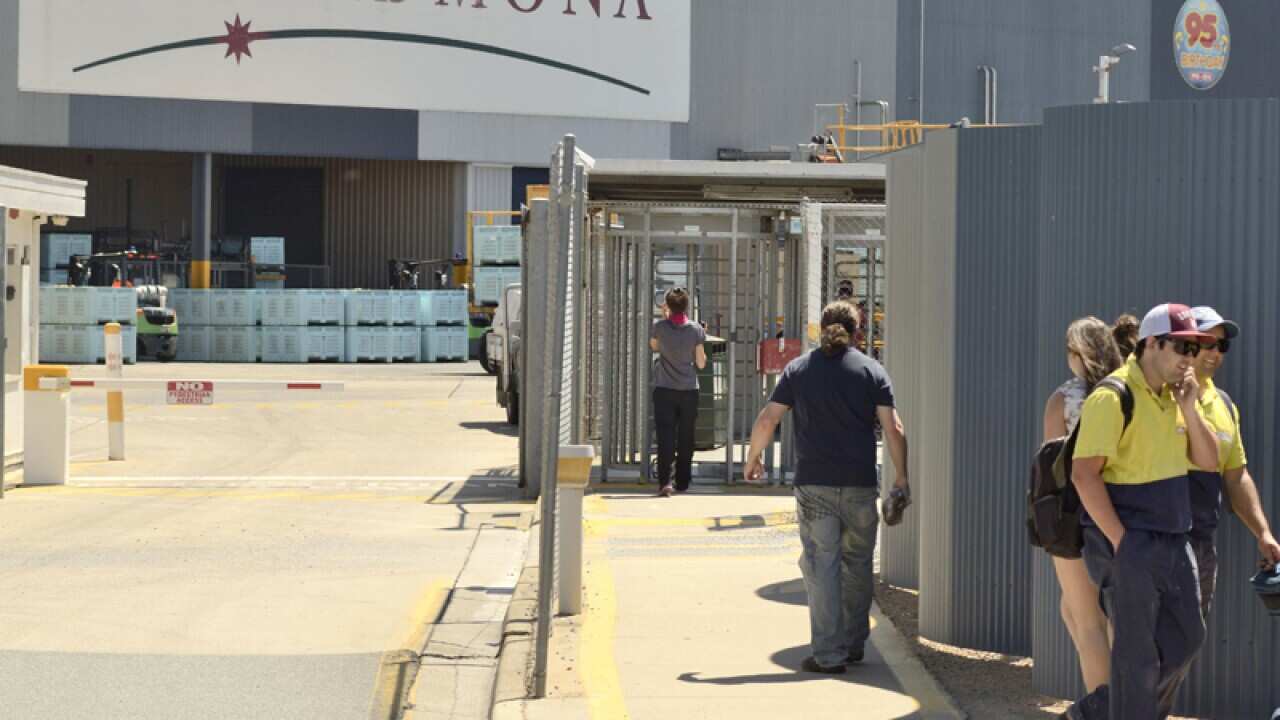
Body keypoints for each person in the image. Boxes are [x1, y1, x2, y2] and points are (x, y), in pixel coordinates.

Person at [1068, 303, 1219, 720]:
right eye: (1183, 347)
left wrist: (1190, 408)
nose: (1191, 358)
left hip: (1175, 534)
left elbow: (1208, 462)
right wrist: (1122, 541)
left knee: (1188, 638)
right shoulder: (1112, 396)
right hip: (1131, 537)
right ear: (1152, 343)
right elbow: (1084, 476)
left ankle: (1096, 712)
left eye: (1196, 348)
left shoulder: (1179, 396)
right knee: (1136, 657)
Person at [743, 300, 909, 674]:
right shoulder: (872, 371)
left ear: (822, 328)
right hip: (860, 484)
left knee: (822, 567)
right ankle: (853, 643)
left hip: (815, 483)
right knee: (858, 564)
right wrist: (901, 476)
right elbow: (894, 428)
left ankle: (828, 654)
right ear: (857, 331)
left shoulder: (799, 370)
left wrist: (753, 457)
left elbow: (769, 418)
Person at [1041, 317, 1127, 695]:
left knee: (1087, 618)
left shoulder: (1065, 398)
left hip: (1075, 516)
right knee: (1075, 610)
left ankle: (1101, 703)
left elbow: (1051, 462)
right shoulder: (1126, 391)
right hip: (1120, 512)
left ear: (1076, 354)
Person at [1186, 306, 1280, 620]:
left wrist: (1262, 532)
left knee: (1189, 638)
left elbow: (1236, 476)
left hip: (1200, 540)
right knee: (1146, 643)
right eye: (1206, 343)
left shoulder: (1223, 404)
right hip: (1153, 540)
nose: (1215, 352)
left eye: (1221, 345)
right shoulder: (1157, 396)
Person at [649, 288, 706, 497]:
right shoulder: (696, 330)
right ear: (687, 306)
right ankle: (683, 481)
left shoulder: (659, 327)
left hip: (664, 390)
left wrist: (664, 317)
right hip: (689, 391)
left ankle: (665, 482)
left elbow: (654, 346)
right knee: (685, 436)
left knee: (665, 435)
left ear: (668, 306)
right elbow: (700, 363)